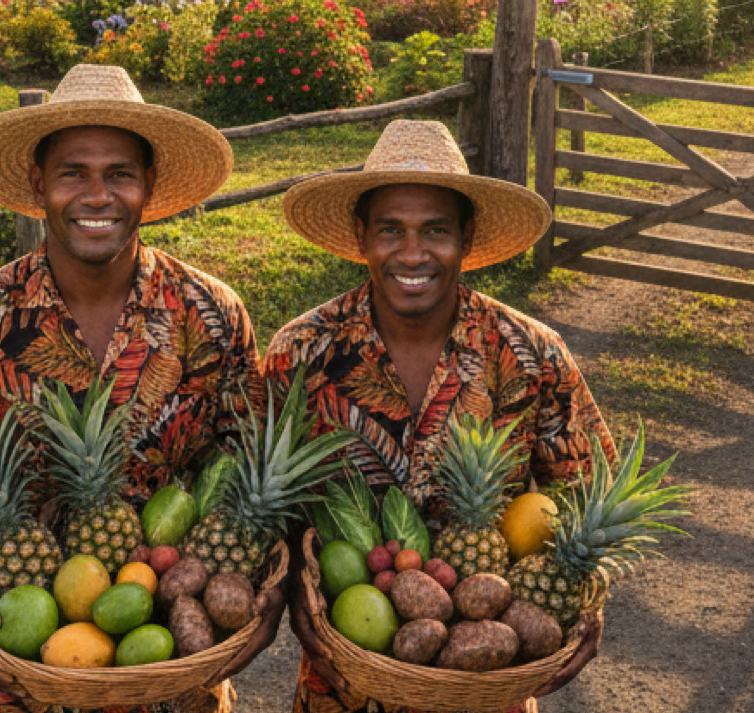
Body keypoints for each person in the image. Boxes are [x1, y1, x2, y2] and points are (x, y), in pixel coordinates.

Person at [0, 64, 282, 713]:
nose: (97, 195)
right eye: (73, 172)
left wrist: (266, 594)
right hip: (28, 671)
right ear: (38, 183)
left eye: (120, 174)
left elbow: (256, 470)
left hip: (183, 670)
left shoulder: (211, 314)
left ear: (149, 185)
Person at [263, 119, 617, 713]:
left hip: (488, 681)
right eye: (390, 230)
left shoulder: (531, 354)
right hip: (342, 682)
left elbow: (590, 498)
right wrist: (297, 591)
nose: (412, 253)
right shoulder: (301, 353)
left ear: (467, 237)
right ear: (360, 235)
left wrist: (587, 604)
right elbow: (265, 517)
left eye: (436, 231)